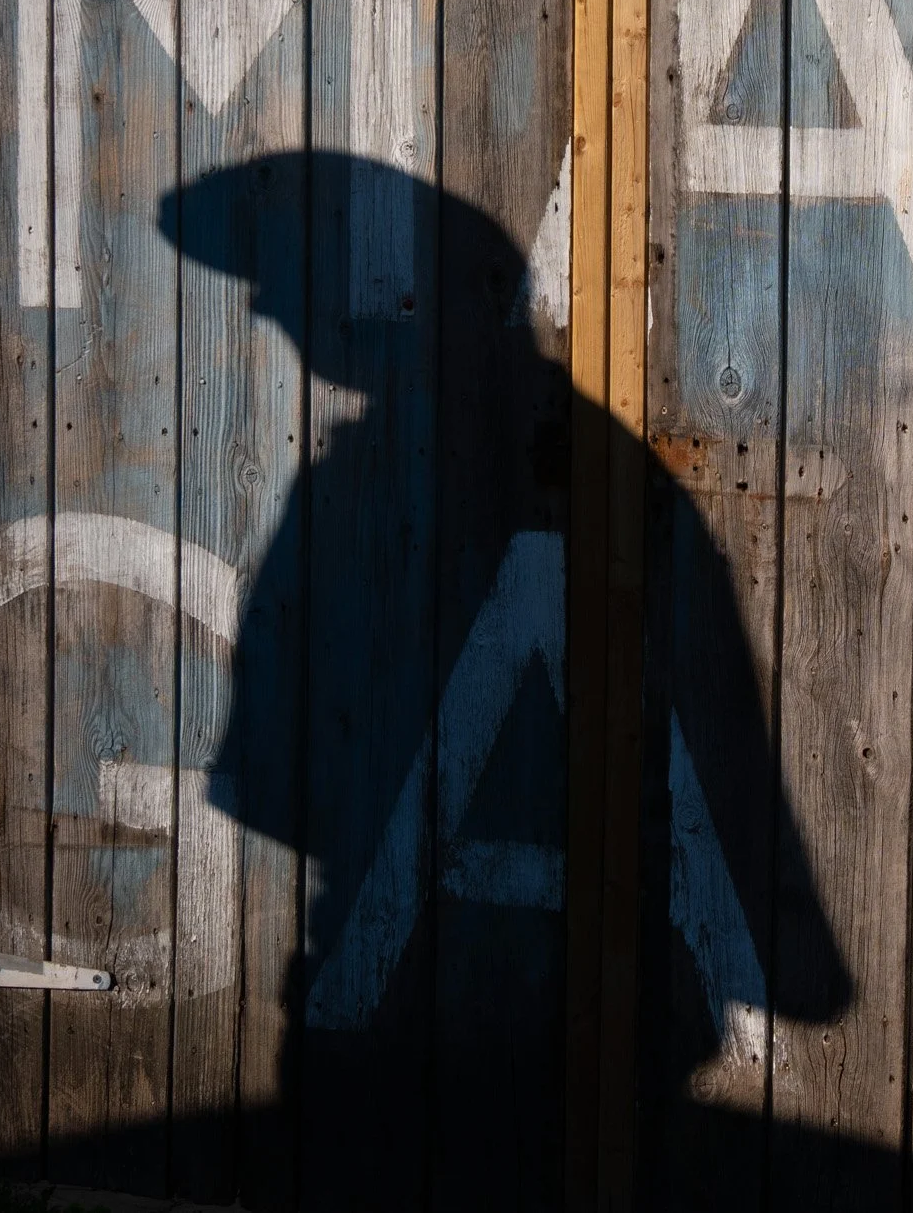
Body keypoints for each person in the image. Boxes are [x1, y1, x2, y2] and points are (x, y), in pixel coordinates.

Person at [158, 151, 849, 1208]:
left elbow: (276, 785)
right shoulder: (599, 471)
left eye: (280, 294)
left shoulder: (365, 478)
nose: (270, 318)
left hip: (395, 1022)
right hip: (574, 1021)